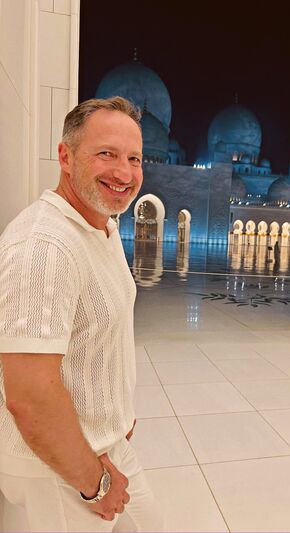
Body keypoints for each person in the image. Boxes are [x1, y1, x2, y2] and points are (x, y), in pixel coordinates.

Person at [0, 97, 163, 532]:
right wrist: (95, 481)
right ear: (66, 157)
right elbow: (29, 395)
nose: (124, 173)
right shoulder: (44, 247)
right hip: (61, 468)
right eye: (106, 154)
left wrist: (117, 413)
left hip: (104, 442)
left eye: (134, 158)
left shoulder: (101, 225)